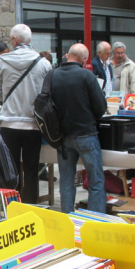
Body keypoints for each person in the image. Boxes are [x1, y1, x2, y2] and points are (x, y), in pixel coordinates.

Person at [0, 24, 52, 204]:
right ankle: (30, 205)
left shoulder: (3, 62)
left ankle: (11, 205)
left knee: (11, 168)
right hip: (33, 124)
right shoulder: (43, 63)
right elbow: (47, 94)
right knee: (31, 169)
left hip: (9, 123)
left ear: (15, 40)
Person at [51, 43, 107, 213]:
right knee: (95, 181)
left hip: (62, 136)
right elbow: (100, 108)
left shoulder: (53, 75)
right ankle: (95, 220)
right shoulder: (86, 76)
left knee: (66, 182)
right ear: (84, 60)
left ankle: (68, 219)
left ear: (67, 55)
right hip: (85, 134)